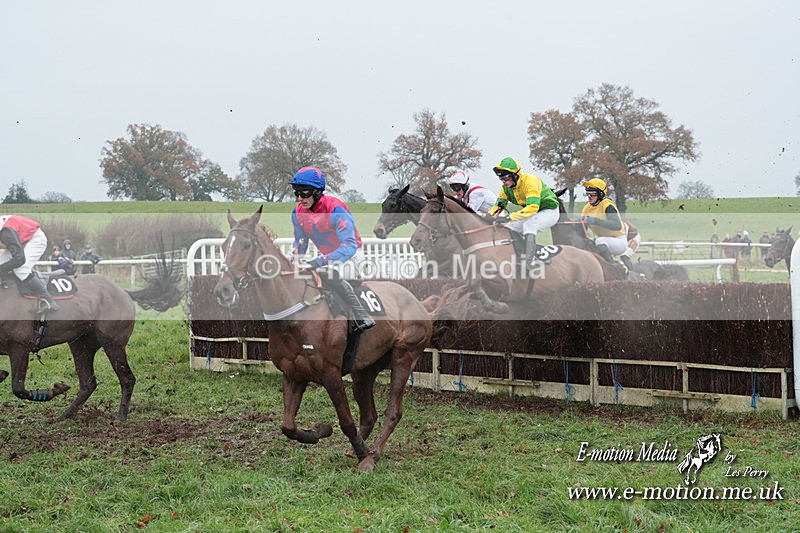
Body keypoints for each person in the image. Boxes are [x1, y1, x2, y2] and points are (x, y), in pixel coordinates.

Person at [290, 166, 375, 333]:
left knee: (328, 274)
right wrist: (293, 258)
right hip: (328, 258)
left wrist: (319, 261)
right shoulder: (298, 212)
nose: (300, 198)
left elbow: (349, 246)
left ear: (317, 191)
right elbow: (301, 244)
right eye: (296, 193)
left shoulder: (336, 209)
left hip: (351, 256)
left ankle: (362, 316)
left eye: (305, 192)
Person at [487, 157, 560, 268]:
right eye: (501, 178)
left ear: (515, 175)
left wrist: (508, 217)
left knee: (529, 226)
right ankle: (520, 255)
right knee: (509, 227)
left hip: (549, 211)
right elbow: (499, 205)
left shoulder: (530, 181)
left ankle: (529, 262)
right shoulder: (505, 188)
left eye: (506, 178)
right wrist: (488, 216)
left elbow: (532, 208)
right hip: (534, 212)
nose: (503, 181)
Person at [0, 215, 58, 313]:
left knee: (21, 270)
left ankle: (48, 301)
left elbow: (19, 259)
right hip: (19, 239)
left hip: (34, 239)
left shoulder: (6, 232)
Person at [579, 178, 629, 267]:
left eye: (593, 194)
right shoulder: (586, 208)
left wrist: (596, 221)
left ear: (600, 194)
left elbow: (617, 225)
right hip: (603, 241)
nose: (589, 196)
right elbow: (582, 226)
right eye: (588, 194)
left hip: (619, 241)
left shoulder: (608, 205)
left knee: (599, 240)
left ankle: (613, 267)